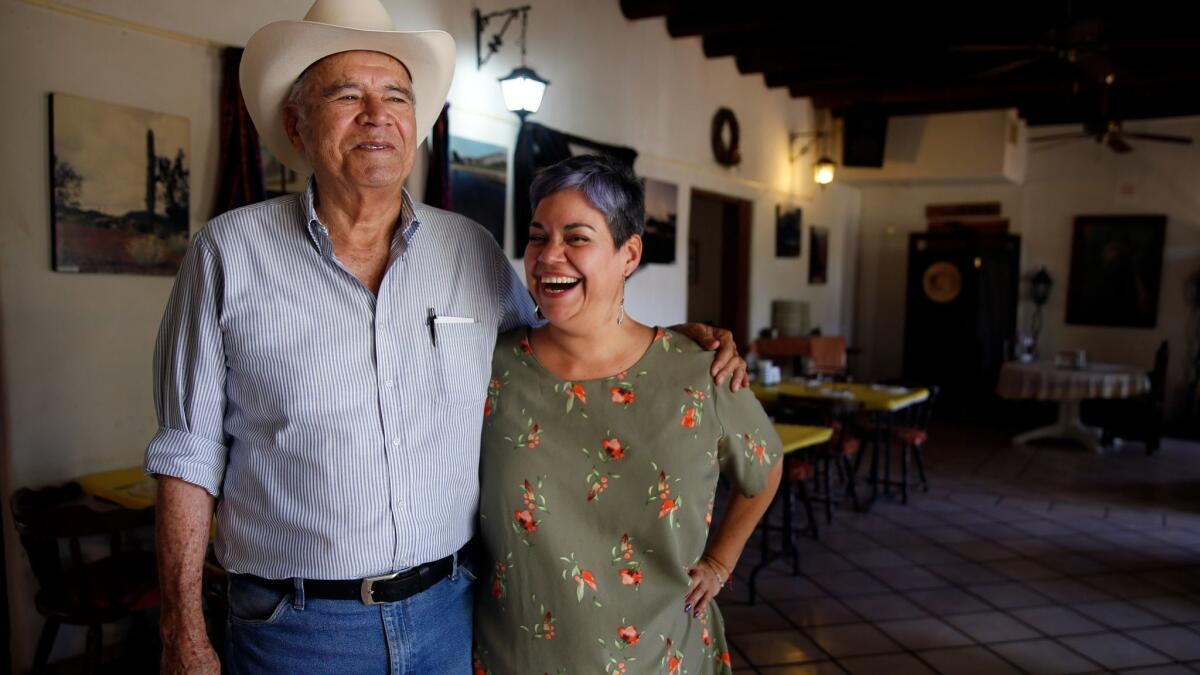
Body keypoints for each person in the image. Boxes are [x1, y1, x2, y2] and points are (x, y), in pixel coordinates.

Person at [144, 0, 745, 672]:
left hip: (450, 614)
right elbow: (186, 456)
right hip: (296, 628)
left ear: (416, 125)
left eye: (396, 96)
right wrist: (182, 632)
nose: (378, 115)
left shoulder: (471, 250)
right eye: (348, 94)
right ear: (297, 122)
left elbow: (563, 341)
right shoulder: (228, 253)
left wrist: (668, 342)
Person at [473, 154, 782, 674]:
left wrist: (720, 562)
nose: (550, 256)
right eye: (537, 236)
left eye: (577, 238)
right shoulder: (488, 366)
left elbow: (764, 467)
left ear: (629, 254)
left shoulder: (698, 373)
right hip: (517, 658)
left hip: (661, 656)